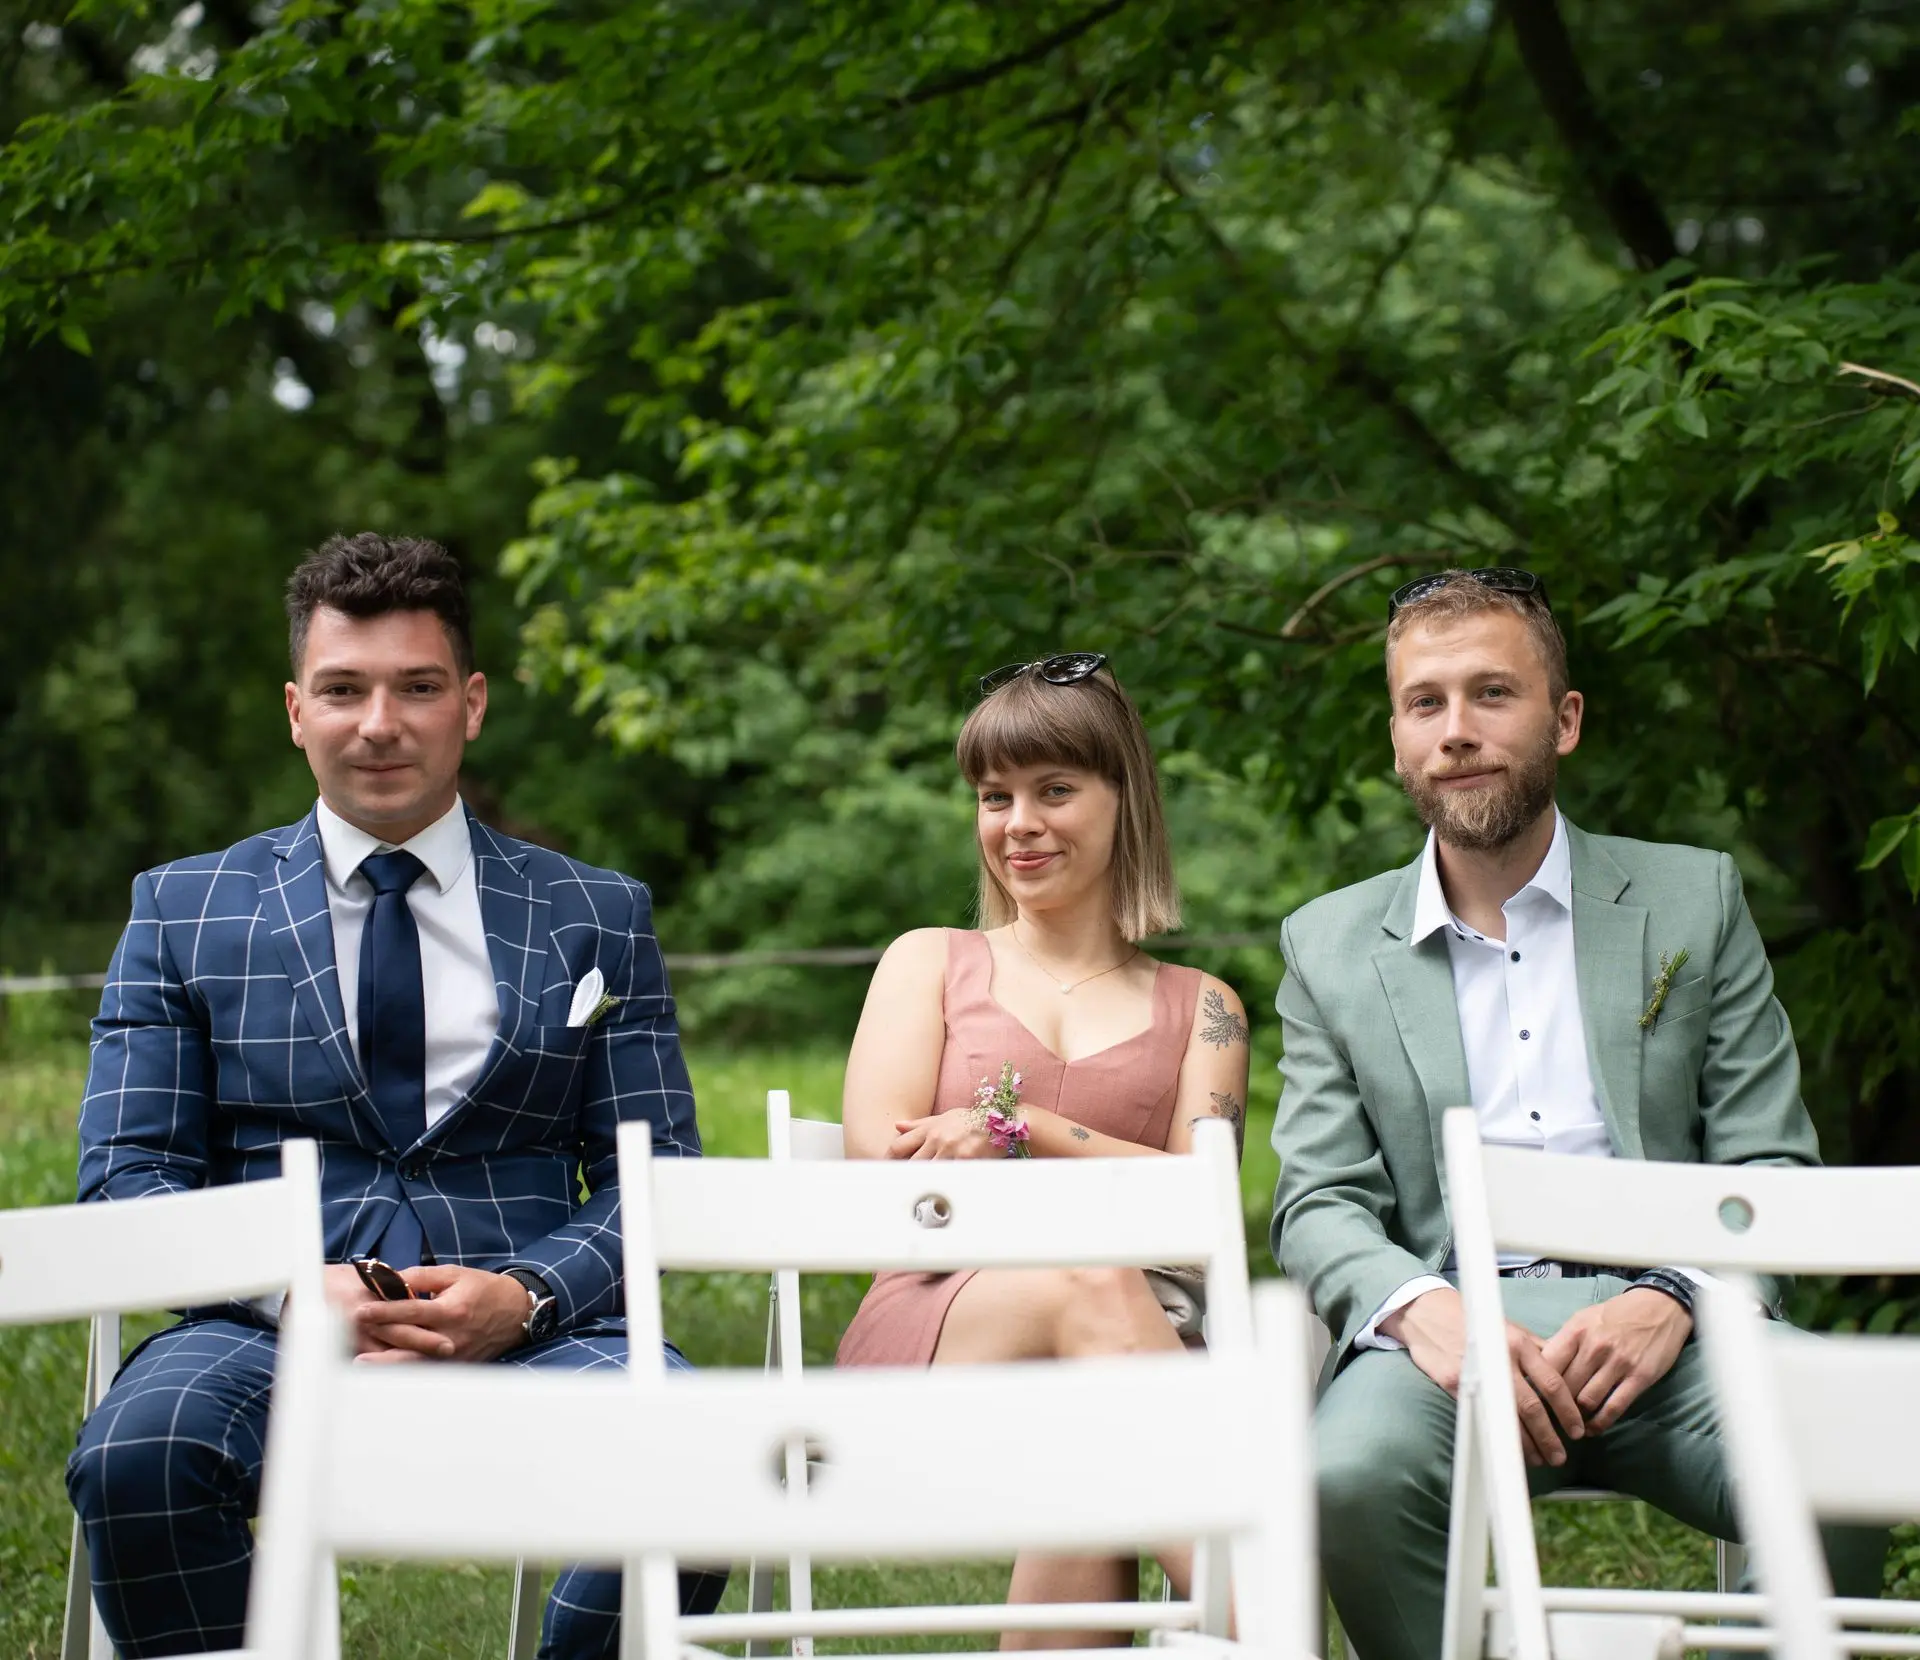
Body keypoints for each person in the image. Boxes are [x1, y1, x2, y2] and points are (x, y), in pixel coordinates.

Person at [66, 533, 722, 1659]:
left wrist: (526, 1295)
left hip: (532, 1324)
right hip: (259, 1331)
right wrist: (290, 1289)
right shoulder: (183, 909)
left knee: (702, 1449)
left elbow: (653, 1175)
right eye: (343, 689)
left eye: (417, 687)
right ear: (295, 710)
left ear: (472, 703)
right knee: (139, 1455)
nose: (380, 723)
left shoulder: (597, 913)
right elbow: (128, 1178)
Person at [1269, 567, 1886, 1660]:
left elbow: (1772, 1166)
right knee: (1347, 1476)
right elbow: (1319, 1200)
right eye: (1425, 703)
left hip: (1677, 1328)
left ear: (1564, 720)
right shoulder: (1327, 944)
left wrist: (1675, 1293)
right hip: (1449, 1339)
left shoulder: (1694, 898)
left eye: (1492, 693)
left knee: (1836, 1449)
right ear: (1399, 741)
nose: (1457, 731)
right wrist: (1428, 1313)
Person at [837, 651, 1251, 1650]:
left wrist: (1024, 1129)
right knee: (1095, 1287)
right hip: (942, 1324)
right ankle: (1268, 1630)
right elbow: (881, 1170)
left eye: (1054, 791)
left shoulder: (1208, 1008)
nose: (1018, 822)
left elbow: (1204, 1210)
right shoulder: (930, 961)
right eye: (996, 796)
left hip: (1131, 1355)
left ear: (1124, 798)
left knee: (1099, 1416)